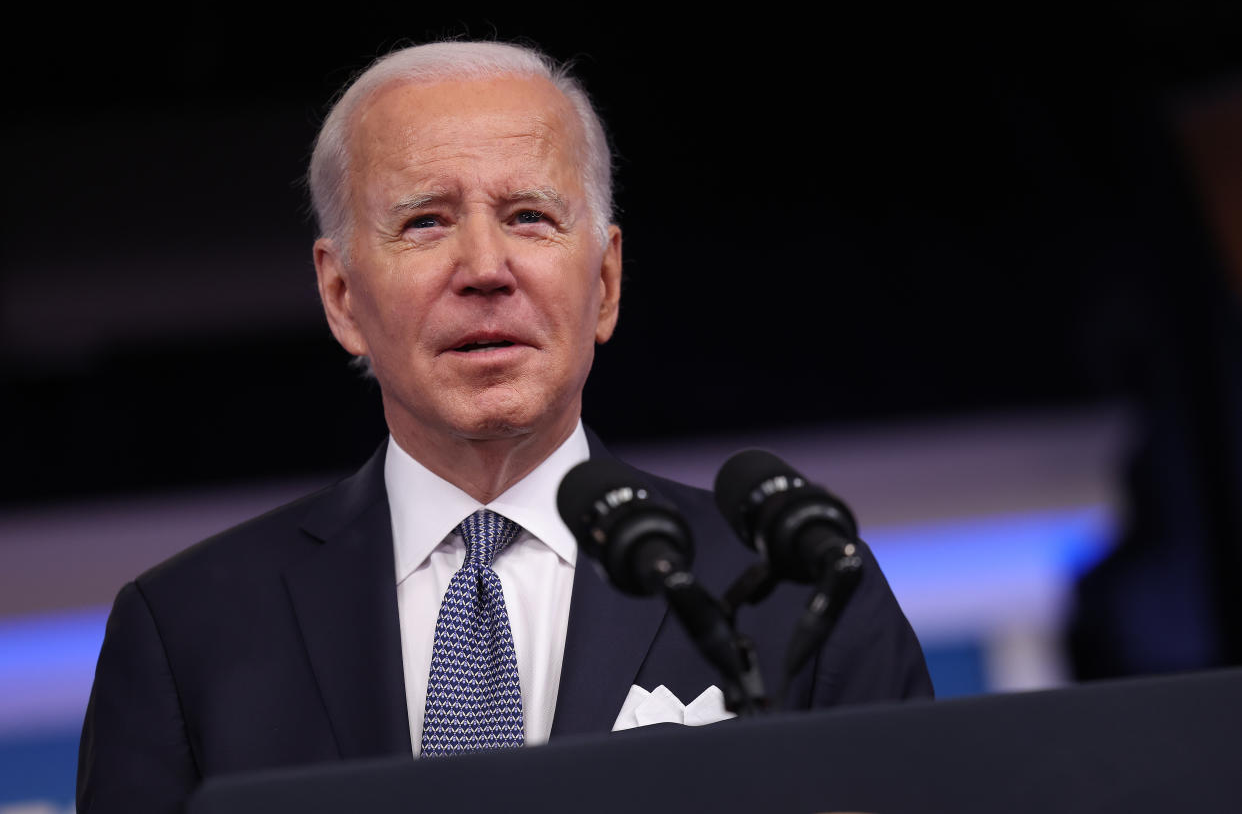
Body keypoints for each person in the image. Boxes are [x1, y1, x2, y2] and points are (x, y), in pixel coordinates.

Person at [77, 40, 932, 813]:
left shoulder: (800, 593)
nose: (485, 270)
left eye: (529, 215)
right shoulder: (186, 632)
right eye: (425, 222)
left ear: (604, 282)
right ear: (341, 297)